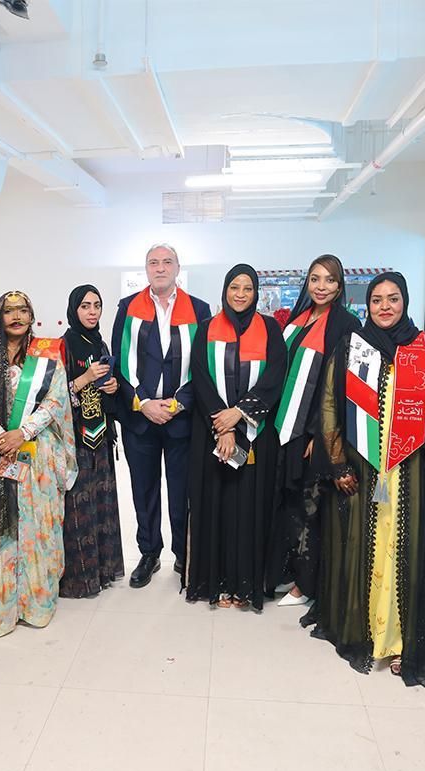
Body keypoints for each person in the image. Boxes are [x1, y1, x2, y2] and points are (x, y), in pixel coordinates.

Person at [307, 272, 425, 685]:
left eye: (393, 299)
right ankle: (364, 630)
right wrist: (338, 464)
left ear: (405, 302)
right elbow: (330, 406)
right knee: (362, 547)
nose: (385, 307)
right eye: (376, 300)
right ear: (367, 305)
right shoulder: (352, 347)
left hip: (411, 472)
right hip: (362, 466)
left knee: (405, 549)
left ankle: (400, 639)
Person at [0, 291, 77, 638]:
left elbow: (56, 400)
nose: (17, 316)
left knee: (39, 526)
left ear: (31, 315)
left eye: (23, 310)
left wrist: (22, 432)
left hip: (37, 456)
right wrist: (0, 436)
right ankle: (0, 607)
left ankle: (36, 603)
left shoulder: (45, 353)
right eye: (9, 311)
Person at [183, 265, 286, 610]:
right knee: (216, 505)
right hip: (213, 433)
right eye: (234, 287)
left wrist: (239, 414)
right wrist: (224, 426)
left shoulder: (270, 329)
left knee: (249, 509)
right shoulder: (207, 328)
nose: (240, 294)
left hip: (256, 435)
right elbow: (200, 377)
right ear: (225, 290)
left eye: (247, 288)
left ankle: (246, 584)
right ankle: (217, 583)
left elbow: (275, 377)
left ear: (256, 293)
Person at [111, 244, 211, 587]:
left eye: (167, 262)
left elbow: (204, 365)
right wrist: (143, 402)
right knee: (144, 490)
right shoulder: (128, 307)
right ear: (146, 269)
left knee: (181, 491)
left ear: (177, 268)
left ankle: (183, 553)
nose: (160, 268)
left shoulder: (199, 309)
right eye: (153, 262)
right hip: (140, 418)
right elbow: (118, 362)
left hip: (181, 418)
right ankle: (149, 553)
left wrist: (179, 403)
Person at [266, 255, 361, 607]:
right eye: (315, 279)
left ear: (340, 286)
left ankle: (306, 584)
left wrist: (315, 434)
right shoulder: (299, 317)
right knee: (288, 504)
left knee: (311, 507)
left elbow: (338, 387)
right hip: (283, 426)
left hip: (314, 431)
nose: (321, 287)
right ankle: (288, 571)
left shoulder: (346, 325)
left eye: (330, 280)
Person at [58, 284, 124, 598]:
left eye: (97, 305)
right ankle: (80, 577)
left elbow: (107, 385)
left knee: (102, 501)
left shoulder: (99, 342)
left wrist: (112, 387)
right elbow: (54, 394)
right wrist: (84, 379)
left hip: (101, 436)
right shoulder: (64, 345)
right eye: (85, 306)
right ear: (74, 309)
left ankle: (103, 570)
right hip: (76, 439)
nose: (92, 312)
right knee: (79, 505)